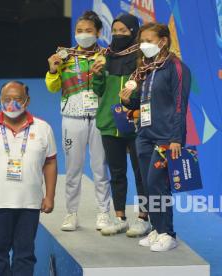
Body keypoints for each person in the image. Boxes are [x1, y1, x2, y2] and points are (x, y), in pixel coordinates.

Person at [0, 81, 57, 276]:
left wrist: (49, 196)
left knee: (25, 254)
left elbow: (50, 163)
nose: (11, 104)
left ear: (27, 101)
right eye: (6, 99)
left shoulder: (43, 128)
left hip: (29, 204)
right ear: (0, 100)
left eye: (17, 99)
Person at [120, 22, 191, 252]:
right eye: (142, 41)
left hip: (165, 138)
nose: (144, 45)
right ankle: (156, 228)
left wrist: (176, 139)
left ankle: (168, 233)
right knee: (147, 184)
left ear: (163, 41)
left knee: (157, 183)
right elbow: (142, 102)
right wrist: (126, 99)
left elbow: (180, 105)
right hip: (144, 134)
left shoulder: (177, 68)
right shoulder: (147, 68)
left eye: (149, 40)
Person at [45, 10, 111, 231]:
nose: (83, 34)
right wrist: (53, 70)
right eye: (79, 31)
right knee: (73, 168)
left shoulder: (106, 56)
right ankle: (71, 213)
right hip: (72, 117)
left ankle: (103, 213)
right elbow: (53, 87)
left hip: (99, 118)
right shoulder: (64, 56)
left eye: (89, 31)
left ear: (98, 32)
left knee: (100, 167)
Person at [91, 14, 150, 237]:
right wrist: (96, 76)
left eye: (124, 31)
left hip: (136, 123)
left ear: (135, 32)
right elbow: (98, 91)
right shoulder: (105, 57)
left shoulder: (142, 58)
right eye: (115, 30)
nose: (118, 34)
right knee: (117, 173)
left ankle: (144, 218)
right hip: (109, 122)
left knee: (141, 173)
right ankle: (119, 217)